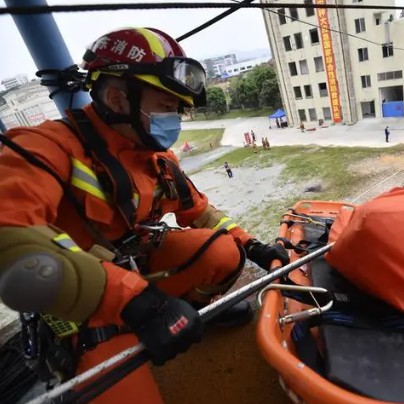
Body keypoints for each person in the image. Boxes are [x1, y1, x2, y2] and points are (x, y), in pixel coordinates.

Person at [0, 27, 289, 403]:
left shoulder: (157, 159)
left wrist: (255, 247)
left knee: (223, 252)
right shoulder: (44, 148)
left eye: (178, 109)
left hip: (138, 274)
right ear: (119, 98)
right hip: (84, 305)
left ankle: (185, 312)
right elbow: (10, 241)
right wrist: (136, 303)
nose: (176, 120)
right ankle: (135, 330)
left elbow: (201, 214)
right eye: (167, 107)